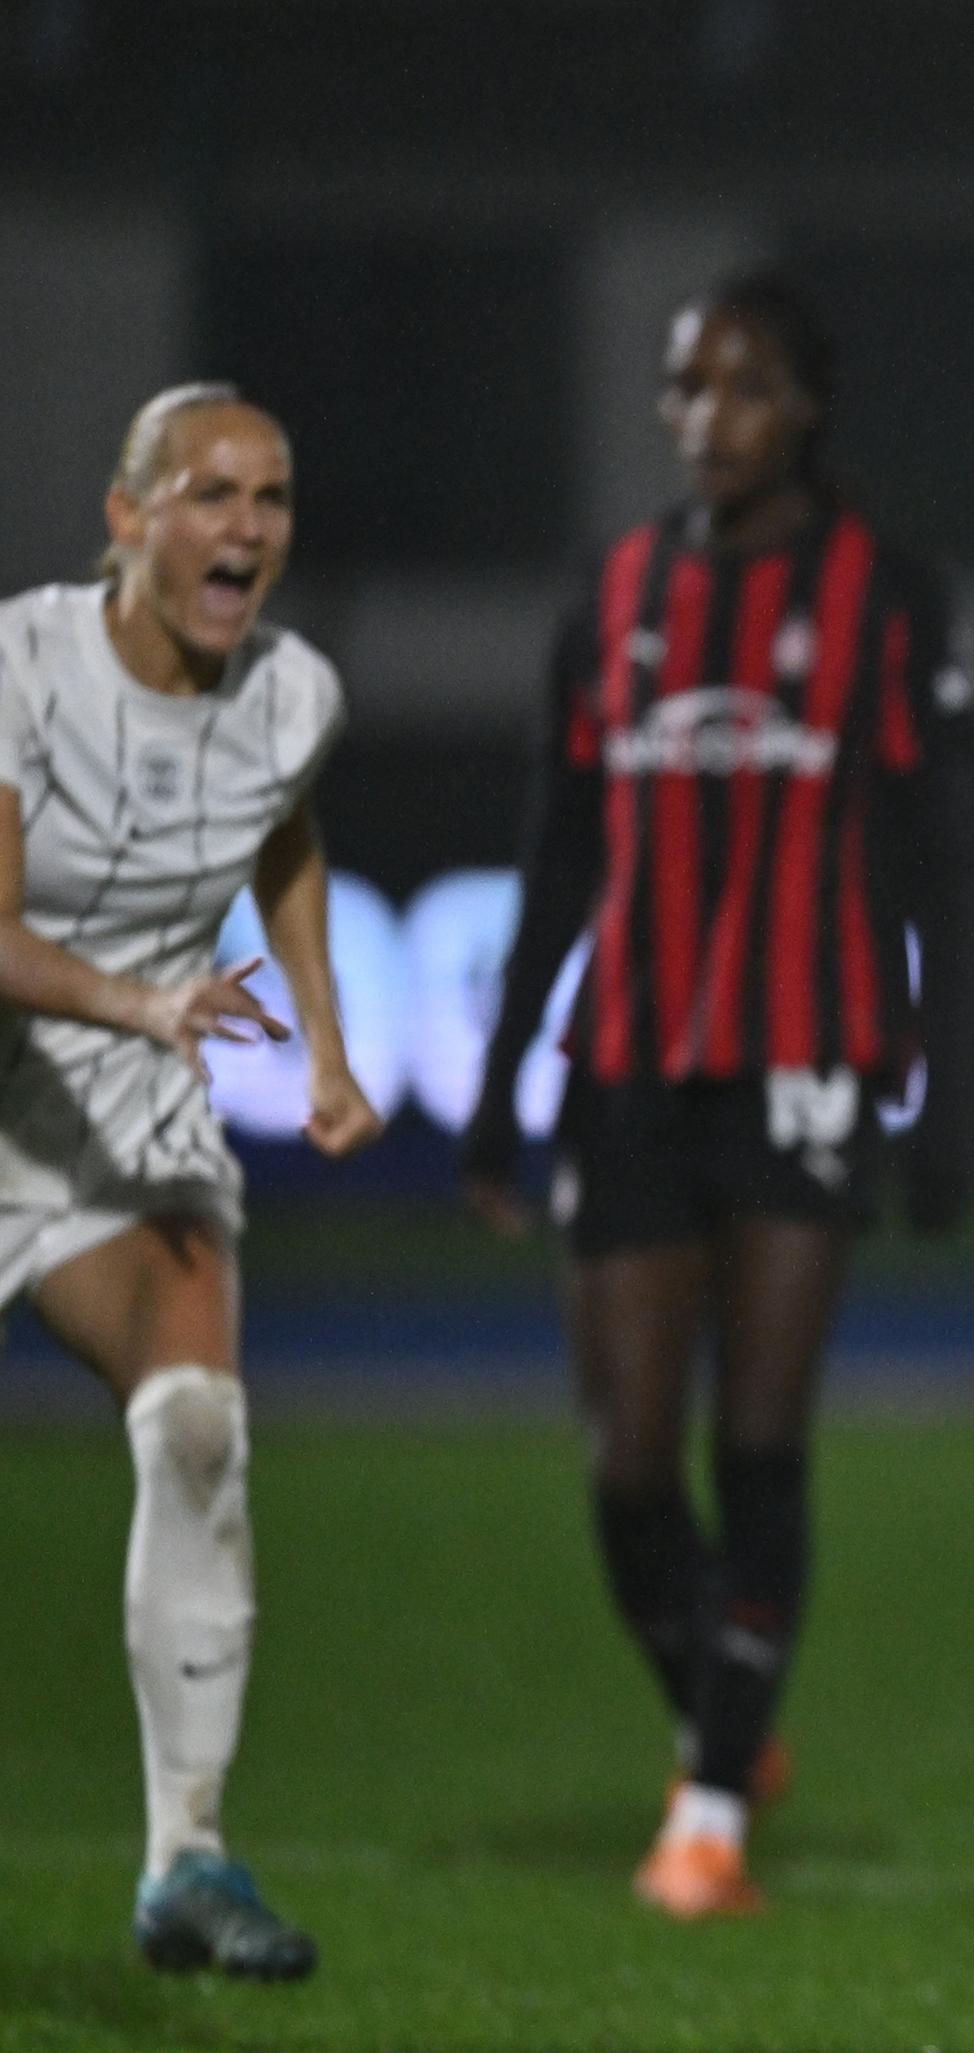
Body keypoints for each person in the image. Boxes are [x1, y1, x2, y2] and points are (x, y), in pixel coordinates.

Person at [459, 269, 973, 1922]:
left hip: (806, 1057)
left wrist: (936, 1083)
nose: (706, 418)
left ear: (804, 406)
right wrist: (493, 1089)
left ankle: (705, 1818)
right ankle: (726, 1702)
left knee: (758, 1440)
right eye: (685, 389)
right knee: (624, 1469)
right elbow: (557, 857)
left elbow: (926, 857)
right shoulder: (608, 598)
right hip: (627, 1058)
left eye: (741, 387)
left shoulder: (883, 595)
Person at [0, 382, 381, 1981]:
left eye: (271, 498)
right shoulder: (22, 666)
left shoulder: (293, 692)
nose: (245, 527)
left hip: (116, 1092)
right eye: (209, 492)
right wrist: (154, 999)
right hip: (55, 1028)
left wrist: (327, 1048)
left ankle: (188, 1859)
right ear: (128, 516)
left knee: (198, 1420)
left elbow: (278, 830)